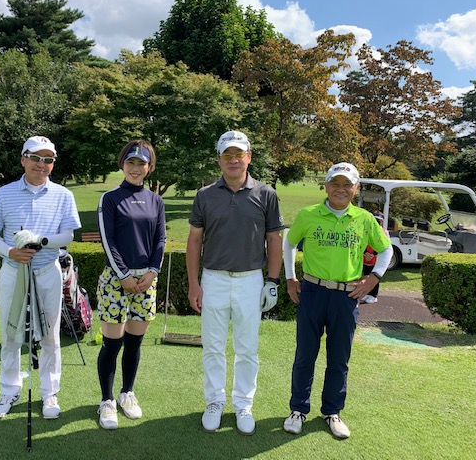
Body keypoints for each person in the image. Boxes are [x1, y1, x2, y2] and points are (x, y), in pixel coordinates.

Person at [282, 162, 393, 439]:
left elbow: (386, 249)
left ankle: (332, 411)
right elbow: (289, 242)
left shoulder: (364, 219)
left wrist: (374, 278)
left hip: (347, 295)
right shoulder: (308, 214)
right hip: (312, 291)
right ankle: (298, 410)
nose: (340, 189)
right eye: (335, 183)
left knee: (339, 358)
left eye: (347, 184)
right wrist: (290, 277)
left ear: (356, 188)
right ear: (326, 186)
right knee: (305, 354)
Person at [186, 130, 284, 436]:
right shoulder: (204, 195)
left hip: (250, 281)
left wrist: (272, 280)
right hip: (213, 279)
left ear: (248, 157)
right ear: (218, 159)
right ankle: (215, 401)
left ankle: (243, 404)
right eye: (227, 155)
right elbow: (195, 241)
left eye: (239, 154)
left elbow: (274, 239)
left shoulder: (266, 194)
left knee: (247, 348)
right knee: (213, 347)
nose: (233, 160)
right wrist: (193, 284)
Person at [0, 135, 81, 420]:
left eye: (48, 159)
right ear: (23, 159)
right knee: (10, 333)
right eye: (36, 158)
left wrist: (41, 241)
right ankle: (9, 390)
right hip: (12, 272)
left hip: (47, 271)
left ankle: (49, 392)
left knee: (50, 335)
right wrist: (10, 251)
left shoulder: (63, 195)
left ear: (53, 164)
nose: (41, 164)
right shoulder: (4, 194)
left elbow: (68, 236)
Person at [95, 140, 166, 430]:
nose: (135, 168)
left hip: (147, 280)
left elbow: (160, 239)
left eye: (141, 164)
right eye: (130, 162)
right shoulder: (110, 198)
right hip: (116, 280)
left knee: (135, 343)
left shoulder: (156, 201)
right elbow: (107, 239)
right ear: (122, 164)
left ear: (149, 167)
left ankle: (127, 393)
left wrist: (152, 272)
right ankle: (107, 400)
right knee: (112, 344)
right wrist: (124, 275)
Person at [361, 212, 389, 303]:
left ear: (381, 222)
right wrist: (365, 253)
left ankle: (373, 295)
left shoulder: (384, 232)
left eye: (378, 220)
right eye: (375, 220)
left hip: (376, 258)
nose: (377, 222)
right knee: (366, 275)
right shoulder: (366, 229)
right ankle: (367, 293)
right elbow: (362, 242)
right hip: (365, 258)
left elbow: (386, 246)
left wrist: (373, 254)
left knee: (374, 277)